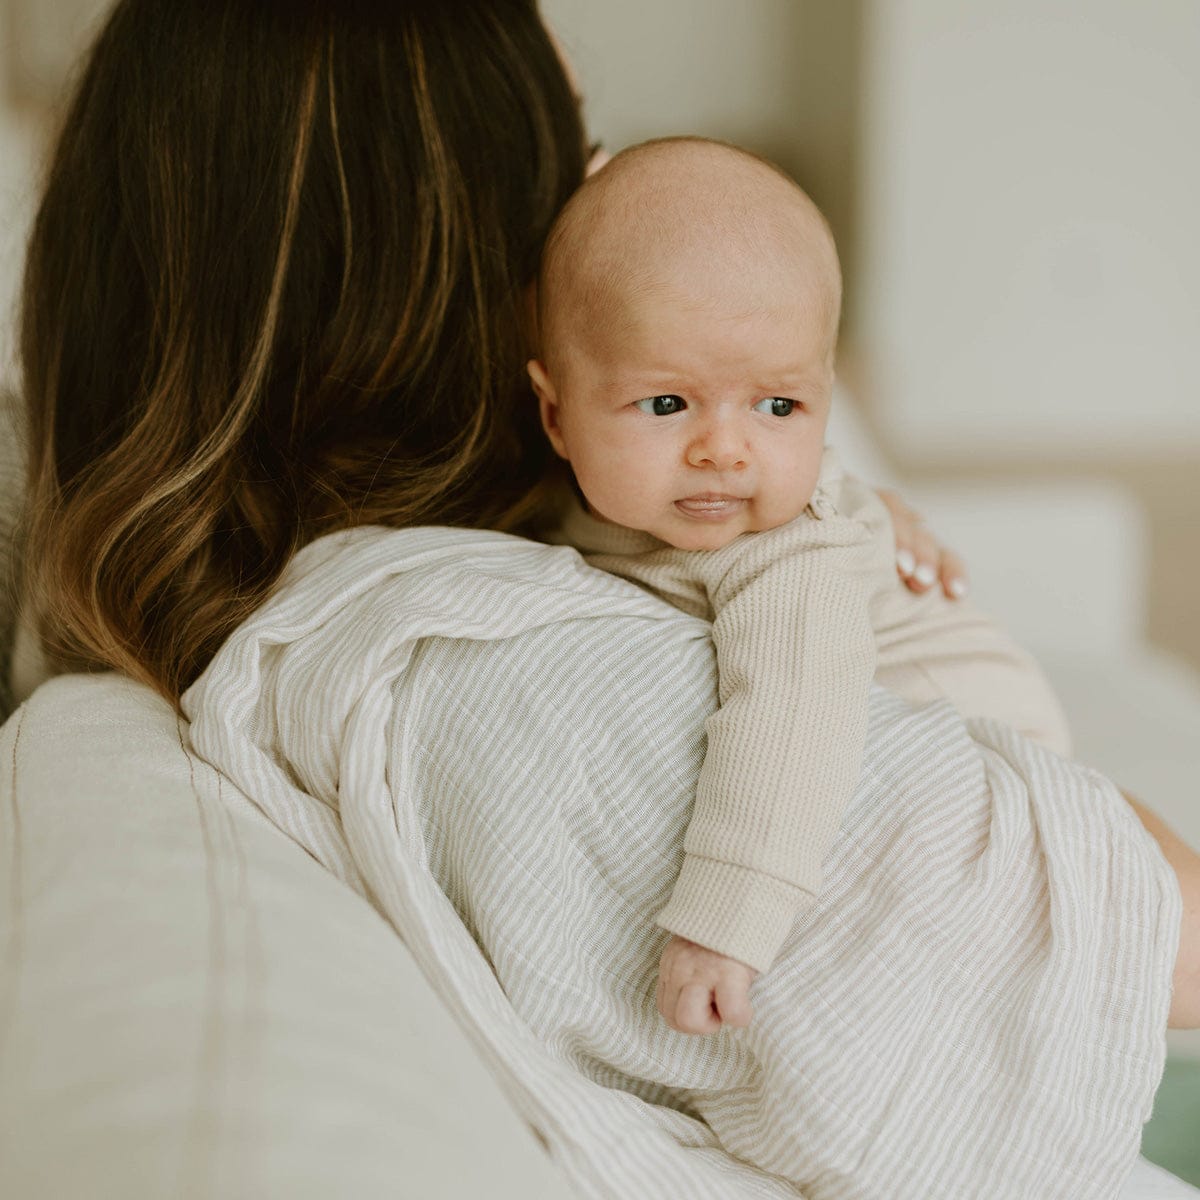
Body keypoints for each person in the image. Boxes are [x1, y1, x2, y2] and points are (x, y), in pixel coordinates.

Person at [13, 0, 1199, 1193]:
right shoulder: (484, 651)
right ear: (461, 275)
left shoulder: (516, 538)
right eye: (564, 164)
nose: (592, 186)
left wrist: (844, 503)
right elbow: (1131, 921)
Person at [528, 134, 1076, 1034]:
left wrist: (723, 923)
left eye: (779, 407)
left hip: (978, 734)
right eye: (667, 404)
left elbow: (792, 717)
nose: (726, 449)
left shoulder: (789, 551)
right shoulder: (587, 501)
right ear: (555, 413)